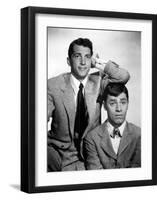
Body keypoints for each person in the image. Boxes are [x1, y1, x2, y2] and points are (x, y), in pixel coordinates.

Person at [47, 38, 130, 171]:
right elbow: (36, 124)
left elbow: (123, 76)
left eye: (87, 57)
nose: (83, 62)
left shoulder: (99, 81)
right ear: (68, 61)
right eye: (77, 56)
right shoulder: (53, 85)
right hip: (59, 156)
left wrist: (97, 63)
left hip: (89, 156)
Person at [84, 82, 141, 169]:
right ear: (104, 106)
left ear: (128, 104)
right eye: (112, 103)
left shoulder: (139, 134)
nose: (119, 109)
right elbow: (95, 177)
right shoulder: (92, 138)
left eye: (123, 102)